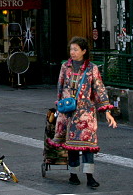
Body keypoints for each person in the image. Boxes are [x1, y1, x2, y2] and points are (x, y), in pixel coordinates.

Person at [49, 36, 116, 189]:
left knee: (87, 146)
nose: (72, 52)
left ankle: (90, 177)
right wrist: (59, 107)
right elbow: (60, 87)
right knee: (71, 146)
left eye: (75, 49)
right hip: (68, 113)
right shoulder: (65, 67)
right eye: (71, 49)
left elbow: (99, 89)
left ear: (84, 51)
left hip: (86, 113)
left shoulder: (92, 68)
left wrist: (107, 111)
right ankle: (73, 174)